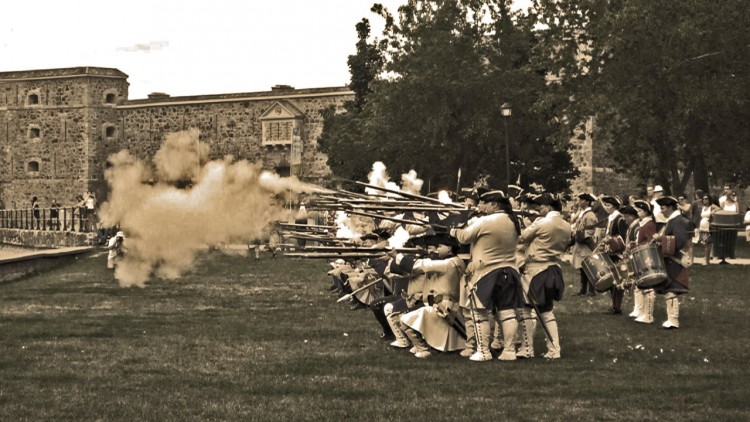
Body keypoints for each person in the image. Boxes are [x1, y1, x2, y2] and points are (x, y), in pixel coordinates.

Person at [450, 190, 522, 362]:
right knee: (507, 312)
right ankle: (509, 350)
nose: (480, 205)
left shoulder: (486, 220)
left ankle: (483, 351)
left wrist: (453, 230)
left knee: (478, 312)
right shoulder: (514, 220)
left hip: (486, 271)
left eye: (484, 203)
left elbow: (464, 237)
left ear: (494, 205)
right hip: (509, 269)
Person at [516, 193, 571, 359]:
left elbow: (523, 237)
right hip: (553, 268)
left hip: (536, 270)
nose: (538, 208)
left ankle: (527, 349)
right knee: (547, 311)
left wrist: (528, 224)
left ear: (549, 207)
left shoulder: (541, 222)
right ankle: (554, 349)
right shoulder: (567, 225)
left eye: (541, 205)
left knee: (526, 310)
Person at [395, 233, 466, 359]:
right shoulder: (451, 261)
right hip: (441, 305)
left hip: (445, 307)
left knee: (405, 320)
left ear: (449, 248)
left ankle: (423, 349)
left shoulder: (451, 263)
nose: (436, 249)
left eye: (440, 246)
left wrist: (398, 256)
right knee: (403, 317)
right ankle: (423, 346)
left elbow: (423, 265)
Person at [652, 196, 690, 329]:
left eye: (663, 208)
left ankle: (673, 320)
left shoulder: (677, 221)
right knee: (669, 290)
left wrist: (661, 238)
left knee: (671, 291)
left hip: (674, 261)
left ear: (670, 207)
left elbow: (680, 241)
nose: (661, 211)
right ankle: (671, 319)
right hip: (669, 260)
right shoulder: (672, 221)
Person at [629, 200, 658, 323]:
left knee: (648, 286)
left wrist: (639, 245)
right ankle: (640, 310)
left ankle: (648, 315)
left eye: (640, 211)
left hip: (646, 256)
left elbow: (650, 242)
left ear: (646, 211)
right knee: (639, 285)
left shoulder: (649, 224)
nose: (638, 213)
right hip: (640, 254)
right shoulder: (643, 223)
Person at [599, 195, 628, 314]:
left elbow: (622, 237)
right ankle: (614, 305)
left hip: (618, 253)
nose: (606, 207)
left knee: (618, 278)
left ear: (615, 207)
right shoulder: (611, 217)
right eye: (605, 205)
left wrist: (610, 240)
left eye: (609, 205)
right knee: (612, 279)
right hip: (610, 251)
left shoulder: (620, 219)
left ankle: (617, 306)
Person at [570, 193, 599, 296]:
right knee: (582, 268)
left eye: (582, 200)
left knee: (588, 267)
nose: (579, 202)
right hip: (581, 243)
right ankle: (583, 289)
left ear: (587, 202)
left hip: (586, 244)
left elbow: (591, 231)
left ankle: (591, 290)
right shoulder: (583, 213)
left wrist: (582, 236)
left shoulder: (590, 215)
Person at [698, 194, 720, 265]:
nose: (705, 200)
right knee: (705, 244)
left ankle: (707, 261)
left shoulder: (712, 206)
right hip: (702, 227)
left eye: (706, 198)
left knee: (708, 243)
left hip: (708, 227)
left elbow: (720, 209)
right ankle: (706, 259)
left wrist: (713, 211)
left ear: (709, 199)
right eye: (704, 198)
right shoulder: (703, 207)